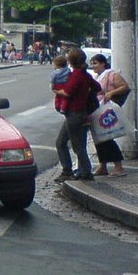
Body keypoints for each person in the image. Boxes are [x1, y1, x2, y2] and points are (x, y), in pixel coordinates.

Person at [53, 47, 100, 182]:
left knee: (76, 145)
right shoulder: (85, 74)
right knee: (65, 142)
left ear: (71, 61)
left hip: (75, 113)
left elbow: (67, 92)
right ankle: (75, 170)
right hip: (82, 113)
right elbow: (98, 87)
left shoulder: (77, 75)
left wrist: (56, 90)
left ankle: (84, 171)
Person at [89, 53, 128, 177]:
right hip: (97, 110)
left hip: (106, 110)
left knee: (107, 138)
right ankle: (103, 166)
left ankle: (119, 166)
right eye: (92, 63)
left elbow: (125, 87)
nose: (93, 66)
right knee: (99, 138)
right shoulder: (97, 76)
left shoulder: (112, 75)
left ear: (103, 63)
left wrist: (111, 93)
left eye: (95, 63)